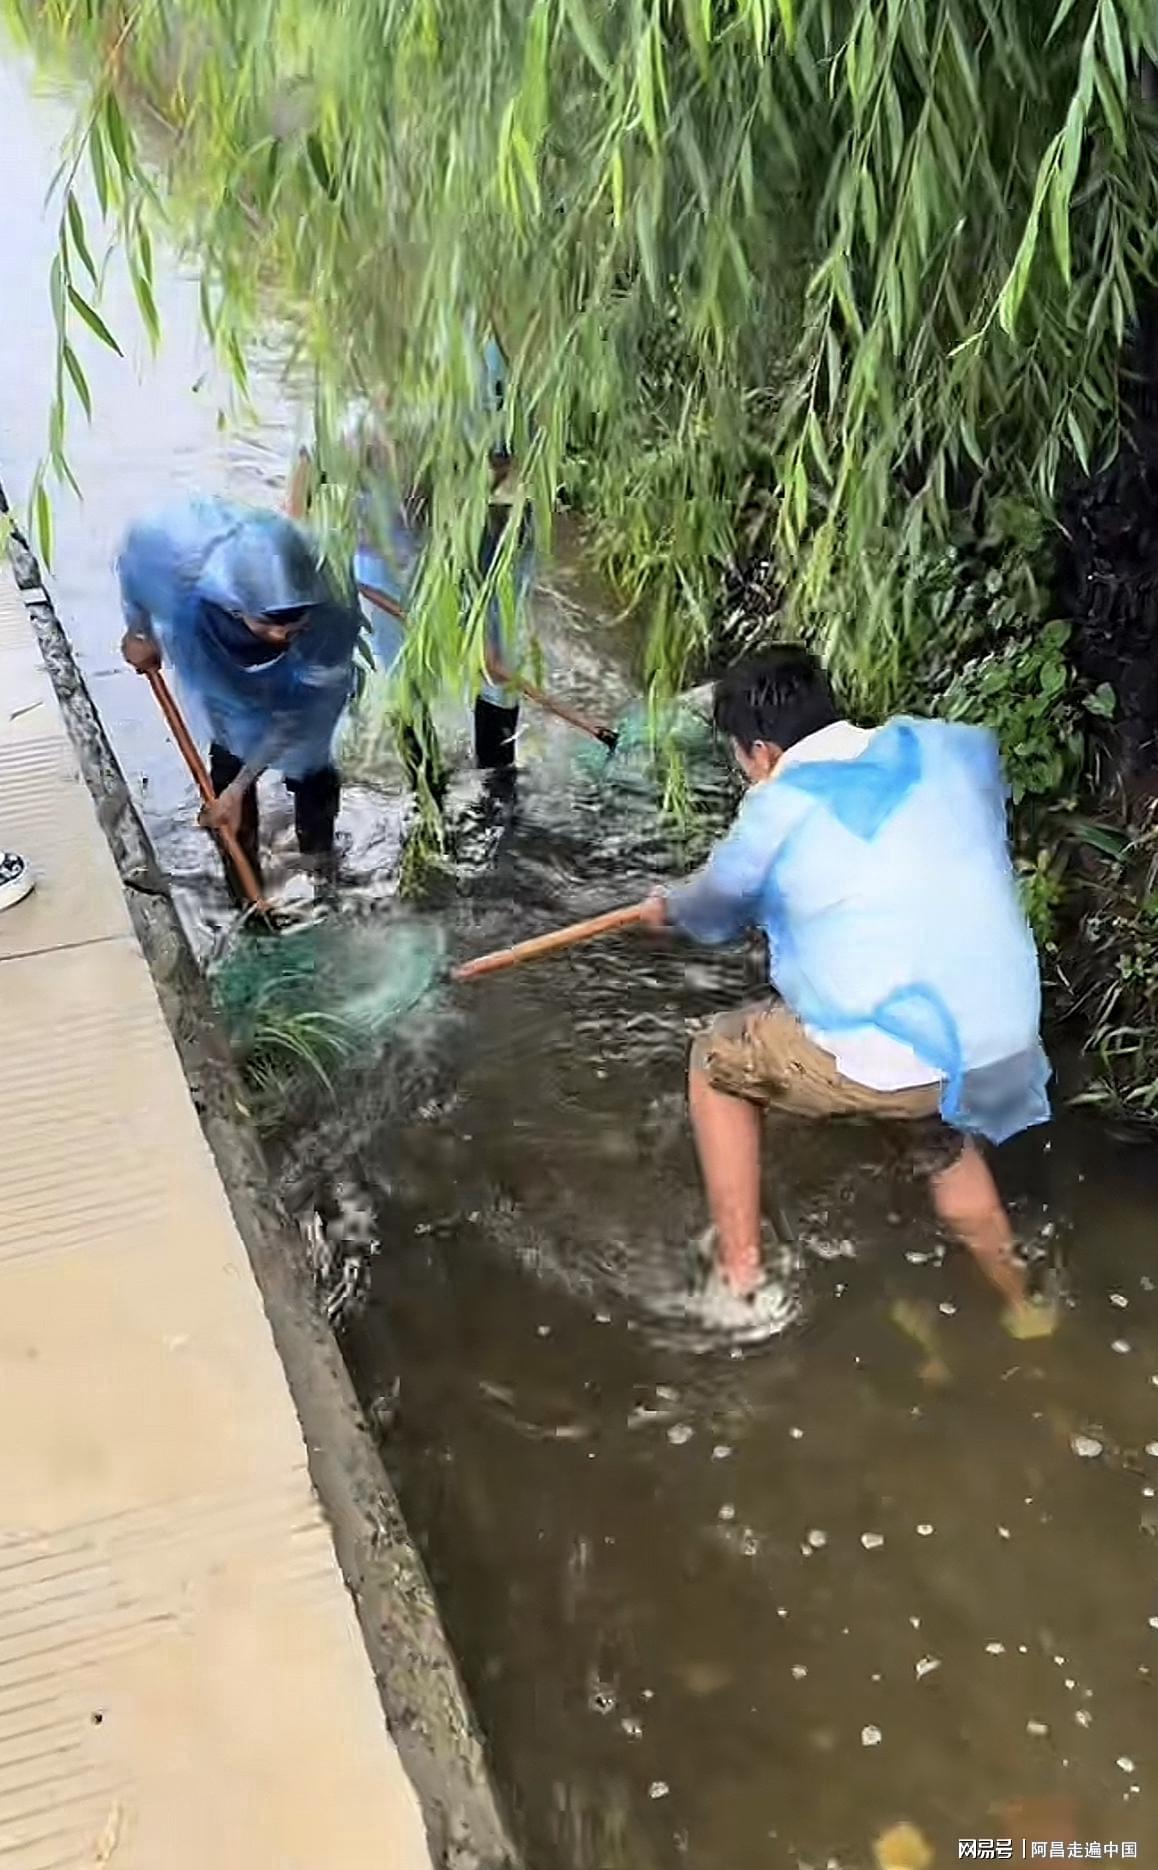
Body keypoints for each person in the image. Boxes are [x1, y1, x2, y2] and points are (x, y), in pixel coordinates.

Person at [639, 648, 1053, 1335]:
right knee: (939, 1139)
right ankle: (1023, 1303)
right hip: (980, 1036)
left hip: (890, 1052)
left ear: (762, 752)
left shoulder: (778, 806)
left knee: (715, 1058)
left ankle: (742, 1278)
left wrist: (668, 907)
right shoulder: (925, 749)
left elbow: (713, 910)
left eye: (741, 759)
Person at [117, 497, 362, 902]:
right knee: (230, 757)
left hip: (305, 682)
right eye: (270, 624)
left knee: (312, 764)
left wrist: (238, 788)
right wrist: (139, 631)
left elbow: (301, 714)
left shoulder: (330, 606)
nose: (282, 634)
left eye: (294, 624)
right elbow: (134, 570)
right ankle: (245, 893)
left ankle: (321, 869)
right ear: (234, 606)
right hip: (222, 670)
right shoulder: (178, 570)